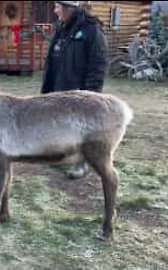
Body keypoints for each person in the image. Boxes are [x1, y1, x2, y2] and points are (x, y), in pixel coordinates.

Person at [41, 1, 108, 179]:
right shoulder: (60, 28)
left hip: (79, 92)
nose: (55, 11)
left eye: (57, 6)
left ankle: (82, 164)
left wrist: (92, 94)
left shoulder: (91, 28)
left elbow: (98, 65)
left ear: (68, 7)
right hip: (57, 87)